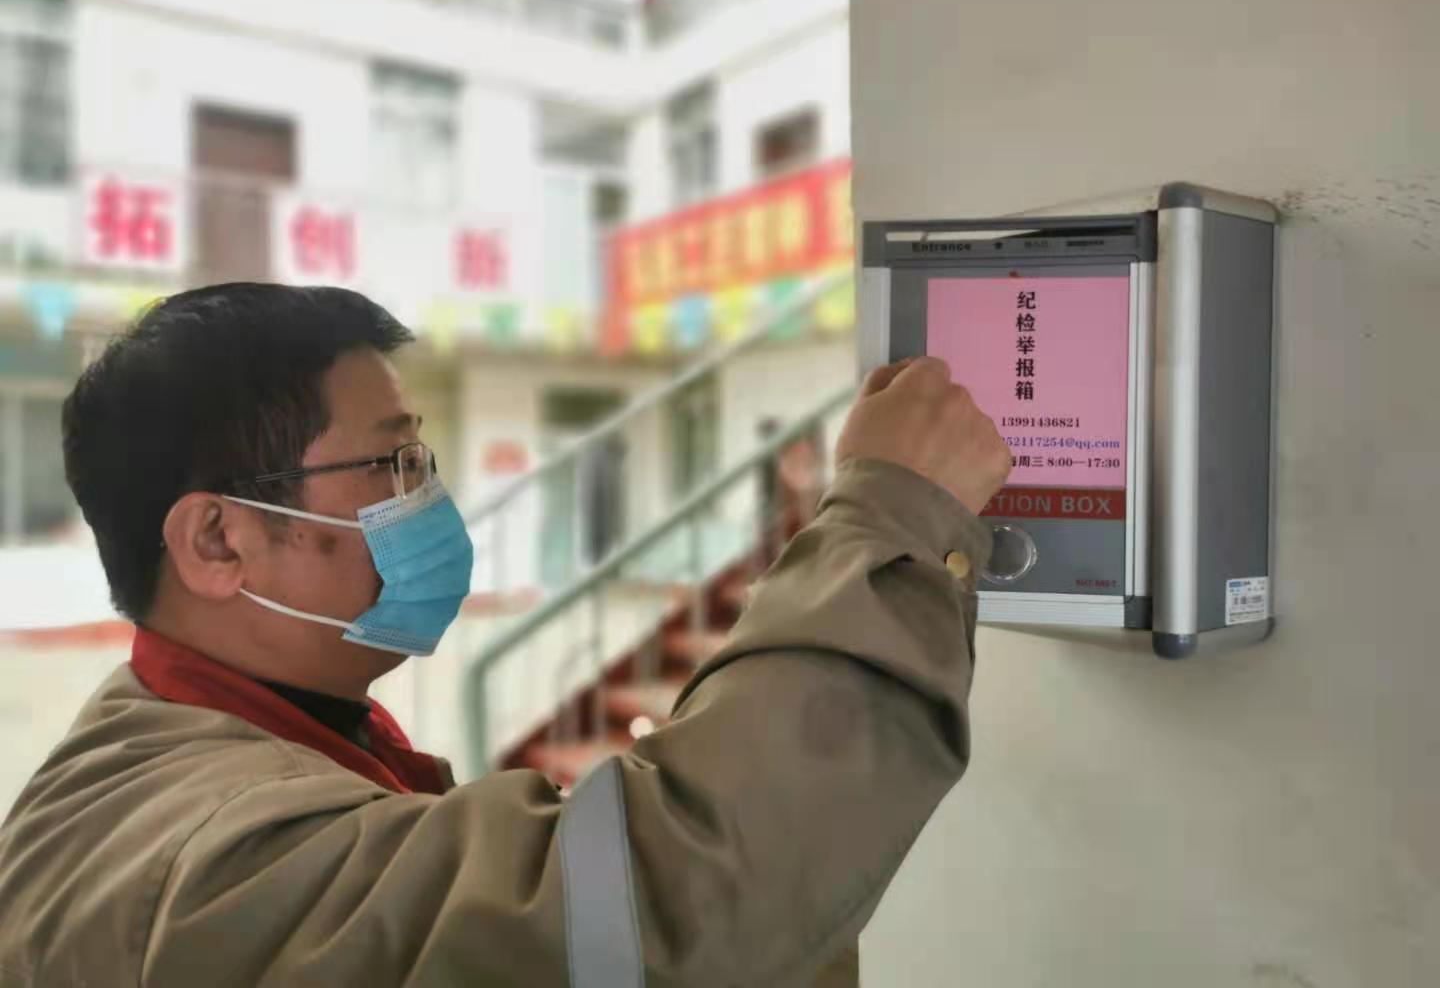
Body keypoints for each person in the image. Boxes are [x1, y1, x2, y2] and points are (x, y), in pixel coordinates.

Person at [0, 283, 1010, 987]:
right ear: (218, 540)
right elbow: (669, 904)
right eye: (392, 468)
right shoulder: (217, 864)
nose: (428, 501)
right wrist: (892, 514)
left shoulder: (195, 744)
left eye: (423, 461)